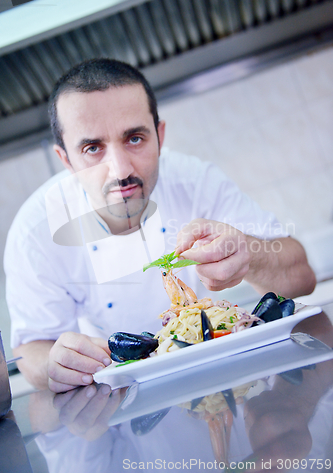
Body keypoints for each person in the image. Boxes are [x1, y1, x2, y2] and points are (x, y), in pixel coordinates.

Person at [4, 59, 316, 393]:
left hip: (224, 378)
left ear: (160, 136)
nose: (120, 169)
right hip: (123, 396)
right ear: (66, 159)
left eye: (135, 138)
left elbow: (302, 279)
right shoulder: (35, 231)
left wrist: (250, 255)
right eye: (92, 148)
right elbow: (30, 350)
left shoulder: (195, 181)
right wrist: (54, 364)